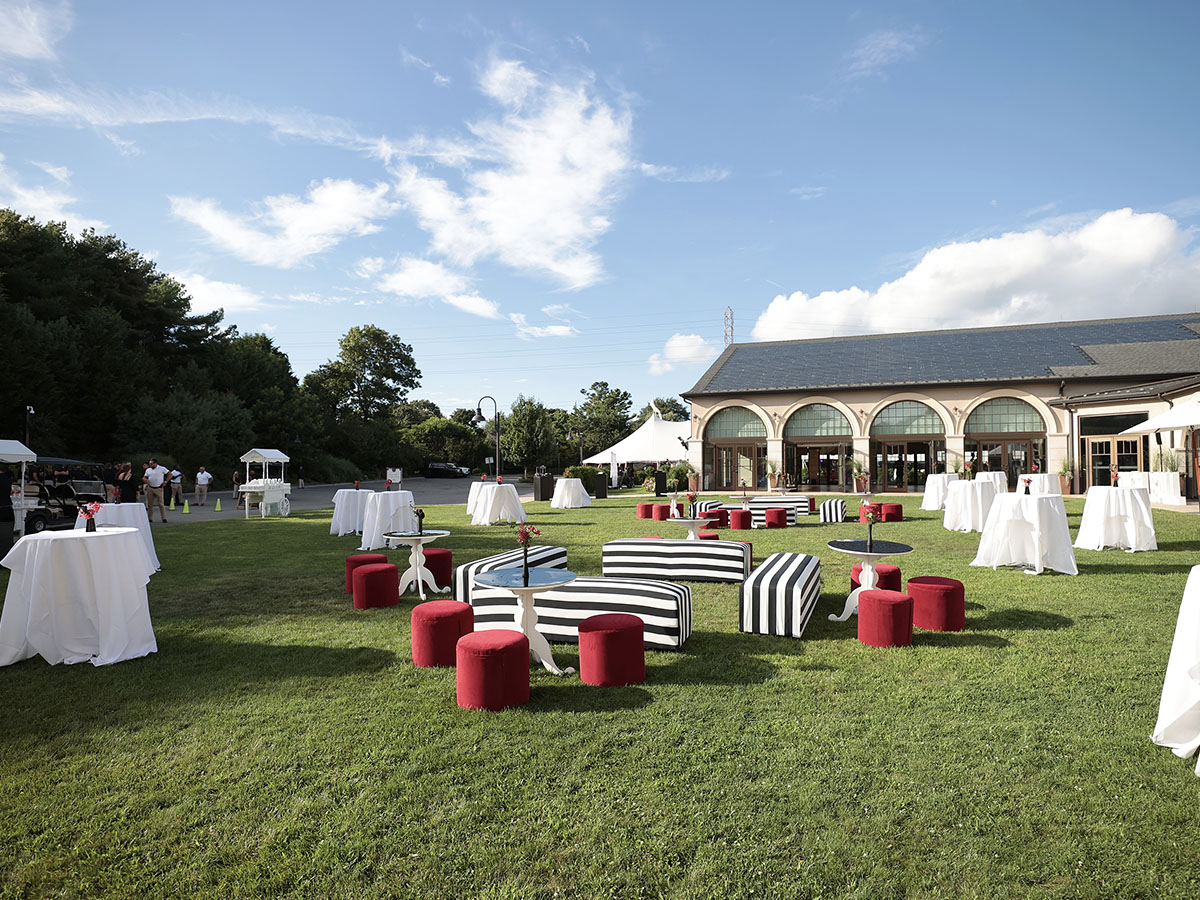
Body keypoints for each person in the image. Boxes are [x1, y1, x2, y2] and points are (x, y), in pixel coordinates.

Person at [143, 458, 170, 523]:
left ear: (155, 463)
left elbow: (170, 474)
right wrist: (145, 480)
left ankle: (163, 518)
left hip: (158, 488)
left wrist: (165, 481)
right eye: (149, 464)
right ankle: (150, 518)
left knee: (161, 504)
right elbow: (145, 477)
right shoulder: (148, 470)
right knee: (150, 504)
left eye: (151, 464)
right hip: (150, 488)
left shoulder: (161, 468)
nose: (150, 465)